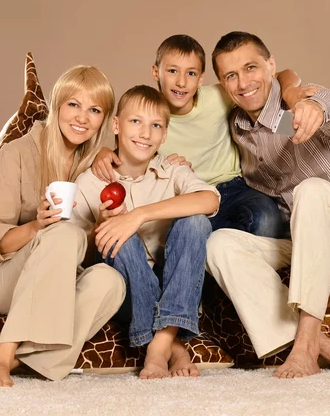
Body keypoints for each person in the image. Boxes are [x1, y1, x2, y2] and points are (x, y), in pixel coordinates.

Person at [206, 31, 330, 378]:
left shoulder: (301, 100)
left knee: (312, 190)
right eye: (231, 75)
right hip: (305, 239)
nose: (244, 82)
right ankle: (324, 345)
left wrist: (310, 106)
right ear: (222, 85)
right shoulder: (239, 126)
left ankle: (306, 345)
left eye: (251, 68)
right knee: (218, 244)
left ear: (271, 65)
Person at [0, 66, 126, 387]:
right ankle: (0, 356)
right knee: (63, 232)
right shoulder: (17, 154)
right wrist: (38, 225)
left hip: (59, 282)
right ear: (57, 105)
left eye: (94, 110)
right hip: (7, 280)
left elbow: (80, 252)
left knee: (111, 281)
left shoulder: (94, 165)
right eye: (73, 105)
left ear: (103, 120)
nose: (82, 117)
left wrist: (100, 228)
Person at [92, 35, 310, 238]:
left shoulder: (219, 97)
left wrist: (291, 92)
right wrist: (104, 153)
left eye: (191, 73)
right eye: (172, 71)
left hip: (234, 186)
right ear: (156, 72)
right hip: (187, 192)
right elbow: (130, 145)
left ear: (201, 79)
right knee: (183, 233)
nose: (181, 82)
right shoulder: (151, 114)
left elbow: (281, 74)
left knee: (266, 219)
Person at [73, 85, 220, 379]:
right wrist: (102, 227)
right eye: (135, 122)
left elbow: (210, 200)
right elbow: (75, 255)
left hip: (175, 286)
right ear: (116, 125)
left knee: (196, 222)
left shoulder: (171, 169)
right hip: (127, 294)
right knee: (117, 233)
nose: (145, 133)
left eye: (155, 126)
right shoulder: (91, 181)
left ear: (164, 135)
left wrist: (138, 216)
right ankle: (171, 343)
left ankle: (158, 345)